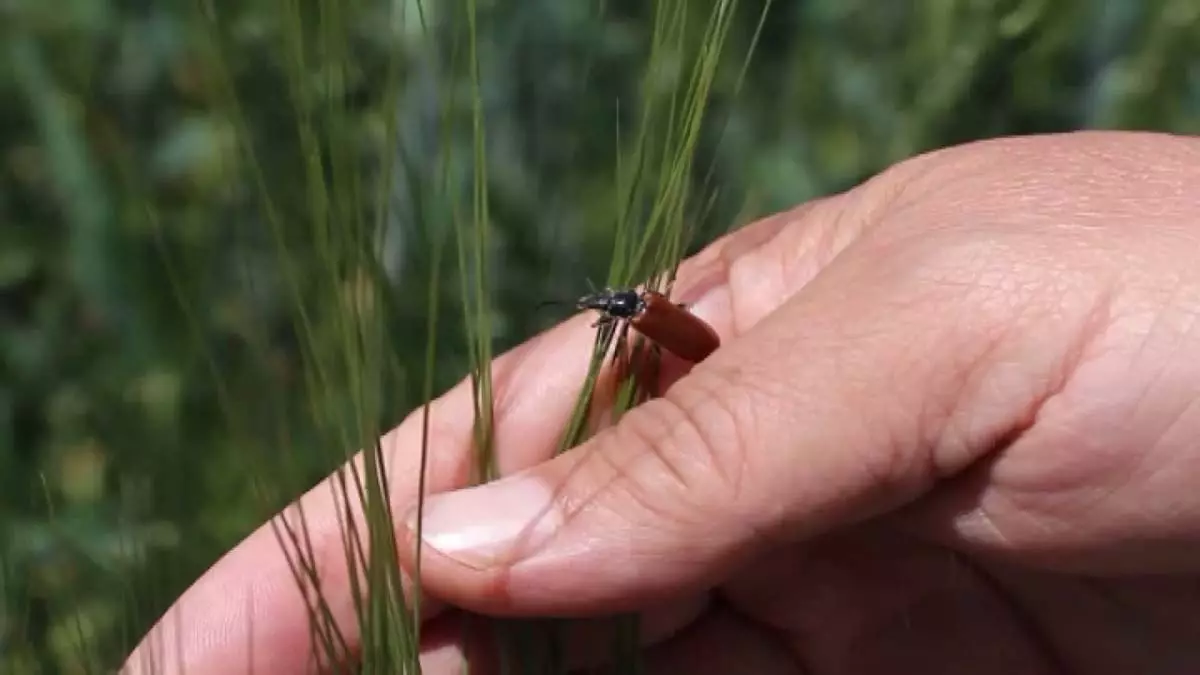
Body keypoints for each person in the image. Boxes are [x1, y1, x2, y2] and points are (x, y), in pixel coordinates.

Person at [122, 130, 1200, 674]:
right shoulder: (644, 315)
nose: (611, 307)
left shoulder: (661, 320)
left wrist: (619, 494)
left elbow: (684, 348)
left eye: (615, 304)